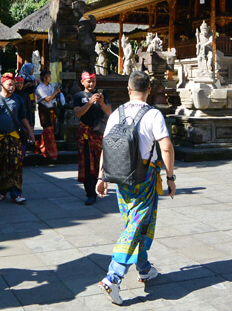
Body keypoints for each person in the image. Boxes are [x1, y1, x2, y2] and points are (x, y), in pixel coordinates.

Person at [96, 71, 175, 305]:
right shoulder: (153, 114)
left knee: (137, 221)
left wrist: (101, 177)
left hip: (119, 176)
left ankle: (143, 268)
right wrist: (170, 177)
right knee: (136, 224)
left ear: (128, 90)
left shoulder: (116, 114)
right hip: (144, 177)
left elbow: (106, 147)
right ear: (149, 90)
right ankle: (113, 276)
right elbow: (167, 148)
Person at [0, 73, 35, 203]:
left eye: (13, 84)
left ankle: (16, 193)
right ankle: (1, 191)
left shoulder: (18, 100)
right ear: (2, 84)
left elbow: (23, 117)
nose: (12, 87)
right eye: (9, 84)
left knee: (16, 164)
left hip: (13, 136)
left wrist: (30, 131)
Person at [73, 72, 112, 206]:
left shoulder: (103, 94)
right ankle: (90, 193)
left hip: (99, 132)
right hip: (85, 133)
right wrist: (89, 103)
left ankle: (100, 185)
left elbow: (109, 113)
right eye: (88, 81)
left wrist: (101, 103)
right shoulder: (79, 96)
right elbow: (78, 113)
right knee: (86, 163)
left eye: (93, 81)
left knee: (100, 162)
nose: (91, 84)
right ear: (82, 82)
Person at [34, 70, 60, 161]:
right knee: (48, 130)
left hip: (51, 110)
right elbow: (48, 99)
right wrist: (55, 92)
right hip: (44, 110)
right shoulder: (40, 88)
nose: (50, 78)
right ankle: (50, 152)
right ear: (45, 78)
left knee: (50, 130)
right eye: (49, 76)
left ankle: (41, 146)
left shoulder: (50, 86)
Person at [18, 63, 37, 128]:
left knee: (31, 112)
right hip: (24, 98)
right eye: (32, 69)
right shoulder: (21, 77)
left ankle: (31, 127)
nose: (32, 71)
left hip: (31, 97)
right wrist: (27, 85)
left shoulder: (32, 77)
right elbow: (19, 89)